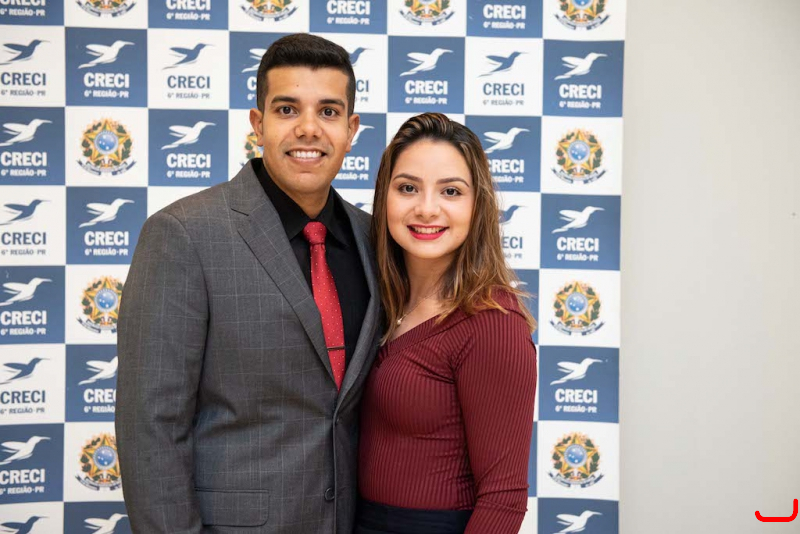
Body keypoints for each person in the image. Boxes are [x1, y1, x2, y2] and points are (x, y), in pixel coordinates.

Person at [115, 34, 381, 534]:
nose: (308, 128)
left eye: (328, 112)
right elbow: (150, 427)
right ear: (258, 124)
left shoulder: (374, 240)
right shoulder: (183, 234)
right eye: (287, 109)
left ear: (351, 130)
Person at [357, 113, 538, 534]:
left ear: (478, 206)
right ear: (384, 197)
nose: (426, 208)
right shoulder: (378, 302)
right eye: (407, 188)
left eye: (451, 191)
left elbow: (503, 499)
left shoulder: (492, 323)